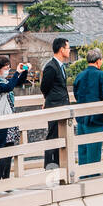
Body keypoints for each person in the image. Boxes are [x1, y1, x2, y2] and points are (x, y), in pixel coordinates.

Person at [0, 56, 32, 181]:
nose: (8, 68)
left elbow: (18, 82)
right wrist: (17, 72)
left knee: (10, 149)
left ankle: (6, 179)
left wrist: (25, 71)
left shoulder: (4, 80)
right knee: (4, 151)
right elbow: (9, 88)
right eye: (6, 66)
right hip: (1, 120)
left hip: (9, 119)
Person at [72, 49, 103, 169]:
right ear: (98, 61)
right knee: (94, 152)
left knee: (83, 151)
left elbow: (76, 94)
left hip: (81, 118)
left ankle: (83, 177)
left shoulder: (80, 75)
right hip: (96, 118)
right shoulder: (102, 75)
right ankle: (93, 178)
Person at [40, 37, 72, 169]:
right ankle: (49, 164)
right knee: (53, 136)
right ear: (61, 49)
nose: (70, 51)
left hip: (62, 105)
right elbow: (44, 87)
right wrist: (48, 100)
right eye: (68, 48)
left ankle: (59, 163)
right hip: (54, 105)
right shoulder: (51, 67)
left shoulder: (60, 65)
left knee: (61, 135)